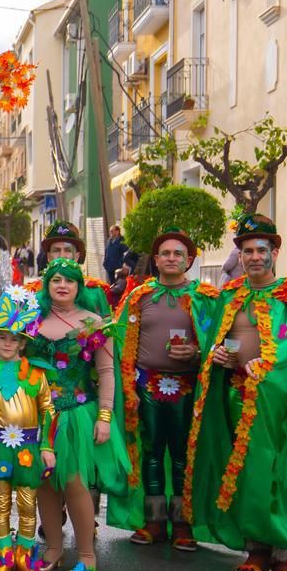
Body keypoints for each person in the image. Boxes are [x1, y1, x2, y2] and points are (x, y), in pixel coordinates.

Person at [185, 214, 287, 571]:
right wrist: (219, 357)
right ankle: (256, 551)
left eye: (261, 250)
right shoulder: (231, 295)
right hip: (235, 395)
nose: (255, 257)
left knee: (280, 473)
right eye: (247, 251)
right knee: (245, 473)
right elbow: (216, 339)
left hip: (278, 399)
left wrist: (269, 365)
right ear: (239, 256)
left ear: (275, 251)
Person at [108, 229, 219, 549]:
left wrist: (198, 354)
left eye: (178, 254)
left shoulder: (206, 299)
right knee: (152, 453)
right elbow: (117, 339)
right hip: (146, 386)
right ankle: (154, 521)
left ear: (189, 260)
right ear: (155, 260)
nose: (171, 258)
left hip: (188, 388)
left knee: (185, 457)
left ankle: (183, 524)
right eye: (165, 254)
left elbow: (218, 341)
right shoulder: (137, 296)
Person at [32, 258, 131, 571]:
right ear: (47, 284)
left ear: (79, 286)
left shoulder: (94, 323)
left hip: (76, 415)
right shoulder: (33, 321)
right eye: (56, 279)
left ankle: (86, 554)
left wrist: (104, 417)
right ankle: (54, 549)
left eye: (69, 280)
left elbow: (105, 373)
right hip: (40, 415)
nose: (62, 285)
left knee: (74, 484)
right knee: (45, 484)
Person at [0, 285, 55, 571]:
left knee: (28, 503)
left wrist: (47, 446)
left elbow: (49, 410)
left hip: (29, 448)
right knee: (1, 502)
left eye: (14, 338)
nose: (8, 343)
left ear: (23, 343)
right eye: (2, 337)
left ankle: (26, 560)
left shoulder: (35, 374)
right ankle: (3, 560)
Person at [30, 221, 112, 316]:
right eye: (56, 250)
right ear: (48, 257)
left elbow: (106, 329)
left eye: (68, 250)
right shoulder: (32, 292)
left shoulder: (95, 292)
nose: (62, 256)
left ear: (77, 256)